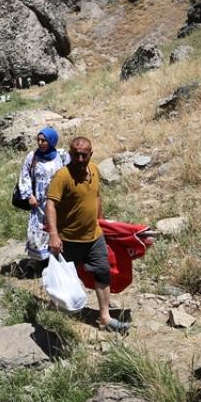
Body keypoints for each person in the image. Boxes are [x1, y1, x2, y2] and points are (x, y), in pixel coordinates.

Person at [45, 136, 128, 333]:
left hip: (94, 236)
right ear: (70, 154)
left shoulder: (95, 170)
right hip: (68, 239)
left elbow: (96, 196)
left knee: (102, 271)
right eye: (76, 155)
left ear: (91, 154)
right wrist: (54, 235)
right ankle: (55, 311)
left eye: (84, 155)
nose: (80, 159)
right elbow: (50, 204)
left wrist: (103, 222)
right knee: (62, 278)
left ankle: (105, 317)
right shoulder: (62, 176)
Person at [17, 127, 69, 271]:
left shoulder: (62, 156)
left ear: (51, 141)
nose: (40, 143)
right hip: (39, 202)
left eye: (44, 140)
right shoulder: (32, 156)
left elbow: (69, 175)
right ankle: (39, 261)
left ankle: (58, 258)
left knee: (57, 227)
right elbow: (24, 175)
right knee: (38, 230)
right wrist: (29, 195)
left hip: (57, 200)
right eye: (38, 140)